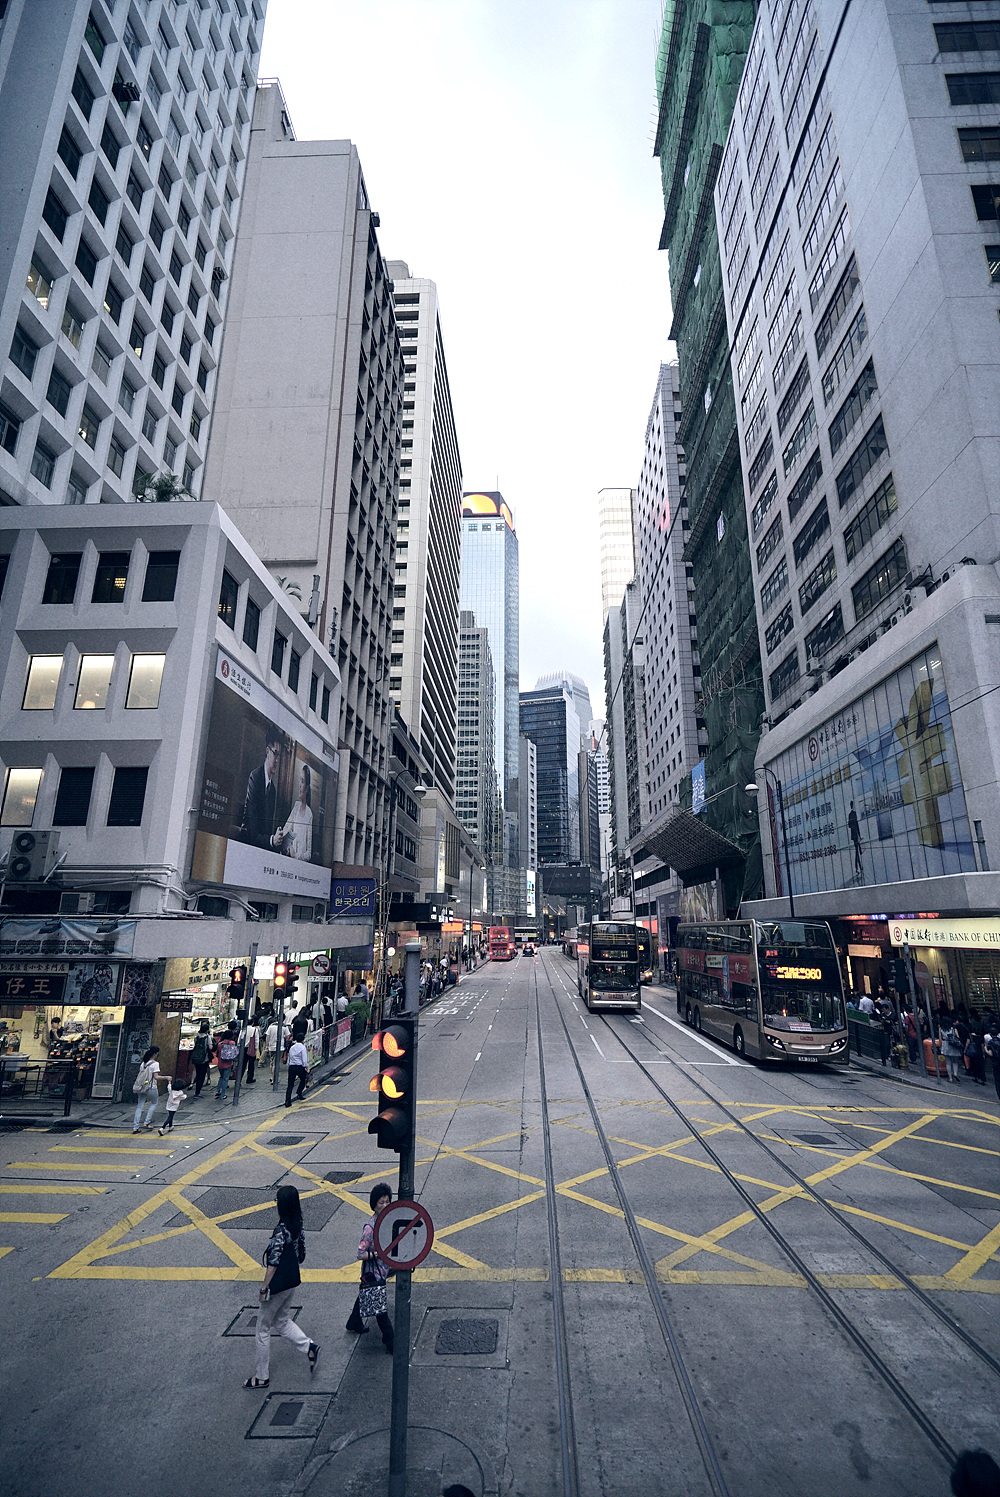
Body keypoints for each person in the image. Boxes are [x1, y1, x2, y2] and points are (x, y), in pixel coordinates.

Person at [244, 1184, 318, 1389]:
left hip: (278, 1285)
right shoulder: (298, 1225)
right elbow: (301, 1255)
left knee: (262, 1328)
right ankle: (309, 1346)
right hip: (291, 1281)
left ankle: (262, 1376)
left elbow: (273, 1263)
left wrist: (263, 1289)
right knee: (282, 1321)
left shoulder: (281, 1231)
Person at [345, 1182, 394, 1353]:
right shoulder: (370, 1228)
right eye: (381, 1202)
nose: (385, 1205)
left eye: (387, 1202)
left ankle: (354, 1322)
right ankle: (391, 1342)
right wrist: (378, 1255)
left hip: (383, 1269)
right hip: (373, 1272)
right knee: (380, 1309)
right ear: (374, 1204)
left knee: (365, 1294)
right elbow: (360, 1253)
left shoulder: (387, 1221)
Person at [240, 726, 281, 849]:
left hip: (261, 848)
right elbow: (252, 830)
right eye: (275, 754)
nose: (277, 760)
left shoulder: (272, 790)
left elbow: (267, 828)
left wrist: (275, 837)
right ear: (267, 752)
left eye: (279, 755)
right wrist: (271, 840)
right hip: (246, 846)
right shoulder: (255, 777)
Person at [273, 762, 313, 860]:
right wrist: (281, 834)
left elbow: (308, 854)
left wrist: (296, 856)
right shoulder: (296, 806)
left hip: (299, 863)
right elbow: (286, 829)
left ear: (307, 788)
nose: (299, 785)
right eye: (300, 780)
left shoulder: (309, 814)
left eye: (302, 781)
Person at [132, 1047, 166, 1133]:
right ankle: (146, 1123)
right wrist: (166, 1077)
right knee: (154, 1103)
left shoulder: (143, 1063)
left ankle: (135, 1127)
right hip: (151, 1087)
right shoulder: (155, 1064)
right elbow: (156, 1077)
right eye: (157, 1053)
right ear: (155, 1054)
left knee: (140, 1106)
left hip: (141, 1087)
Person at [214, 1021, 240, 1099]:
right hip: (228, 1063)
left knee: (221, 1077)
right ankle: (223, 1094)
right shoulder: (232, 1043)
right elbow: (235, 1052)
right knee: (226, 1079)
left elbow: (217, 1052)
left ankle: (217, 1090)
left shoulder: (220, 1044)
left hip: (220, 1063)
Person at [284, 1033, 309, 1106]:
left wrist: (289, 1064)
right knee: (303, 1079)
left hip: (292, 1066)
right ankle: (299, 1092)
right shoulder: (302, 1048)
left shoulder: (292, 1047)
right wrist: (306, 1067)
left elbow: (289, 1057)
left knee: (290, 1084)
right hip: (299, 1066)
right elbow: (304, 1059)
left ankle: (287, 1101)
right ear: (303, 1040)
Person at [191, 1020, 213, 1097]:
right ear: (207, 1030)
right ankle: (198, 1092)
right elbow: (210, 1047)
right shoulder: (207, 1037)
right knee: (202, 1075)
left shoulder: (196, 1037)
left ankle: (196, 1090)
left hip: (196, 1058)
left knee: (198, 1073)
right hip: (204, 1059)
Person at [847, 799, 863, 877]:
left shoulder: (850, 815)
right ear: (853, 806)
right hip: (855, 834)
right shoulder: (854, 814)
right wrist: (859, 834)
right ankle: (857, 867)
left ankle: (859, 867)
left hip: (853, 835)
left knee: (858, 851)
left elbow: (849, 825)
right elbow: (856, 825)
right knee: (857, 851)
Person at [241, 1020, 258, 1084]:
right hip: (251, 1048)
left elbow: (240, 1038)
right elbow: (256, 1040)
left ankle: (239, 1079)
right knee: (251, 1064)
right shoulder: (254, 1030)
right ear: (252, 1023)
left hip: (243, 1048)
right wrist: (256, 1049)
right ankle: (249, 1078)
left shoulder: (243, 1030)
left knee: (242, 1064)